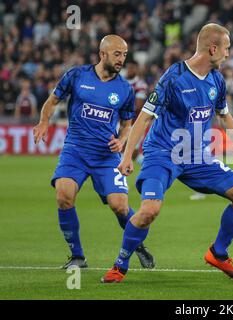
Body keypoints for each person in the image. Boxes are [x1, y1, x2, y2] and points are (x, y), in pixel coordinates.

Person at [101, 23, 233, 283]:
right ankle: (120, 264)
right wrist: (127, 156)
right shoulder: (173, 77)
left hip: (196, 156)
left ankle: (218, 253)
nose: (229, 54)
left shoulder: (217, 80)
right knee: (149, 210)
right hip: (162, 153)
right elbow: (144, 118)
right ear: (213, 48)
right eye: (227, 49)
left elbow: (224, 114)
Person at [33, 35, 154, 270]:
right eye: (117, 54)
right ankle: (77, 256)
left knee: (119, 205)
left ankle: (136, 244)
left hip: (106, 156)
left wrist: (121, 141)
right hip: (75, 151)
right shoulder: (77, 75)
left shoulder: (124, 90)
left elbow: (128, 124)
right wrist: (44, 121)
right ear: (103, 54)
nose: (122, 60)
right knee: (63, 195)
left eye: (124, 55)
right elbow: (52, 100)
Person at [124, 58, 148, 162]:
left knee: (132, 152)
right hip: (119, 121)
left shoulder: (140, 85)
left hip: (135, 122)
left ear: (136, 69)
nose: (129, 70)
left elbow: (138, 106)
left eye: (132, 68)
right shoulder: (120, 81)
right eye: (128, 67)